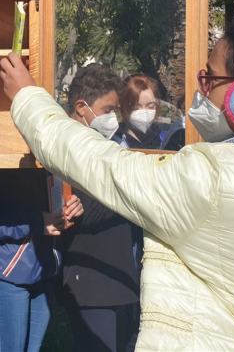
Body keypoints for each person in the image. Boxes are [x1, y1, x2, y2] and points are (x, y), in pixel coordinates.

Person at [0, 13, 234, 350]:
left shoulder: (213, 178)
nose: (202, 87)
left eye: (210, 76)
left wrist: (27, 97)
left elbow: (99, 164)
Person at [59, 64, 142, 352]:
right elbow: (77, 212)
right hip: (92, 285)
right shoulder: (63, 149)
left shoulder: (110, 144)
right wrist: (129, 192)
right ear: (82, 107)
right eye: (108, 110)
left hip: (123, 282)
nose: (114, 119)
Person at [0, 170, 83, 352]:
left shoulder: (49, 155)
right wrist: (37, 223)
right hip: (9, 273)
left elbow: (55, 205)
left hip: (45, 271)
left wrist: (73, 207)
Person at [119, 75, 184, 151]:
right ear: (123, 108)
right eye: (136, 108)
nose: (144, 112)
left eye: (150, 107)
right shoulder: (117, 142)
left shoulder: (167, 135)